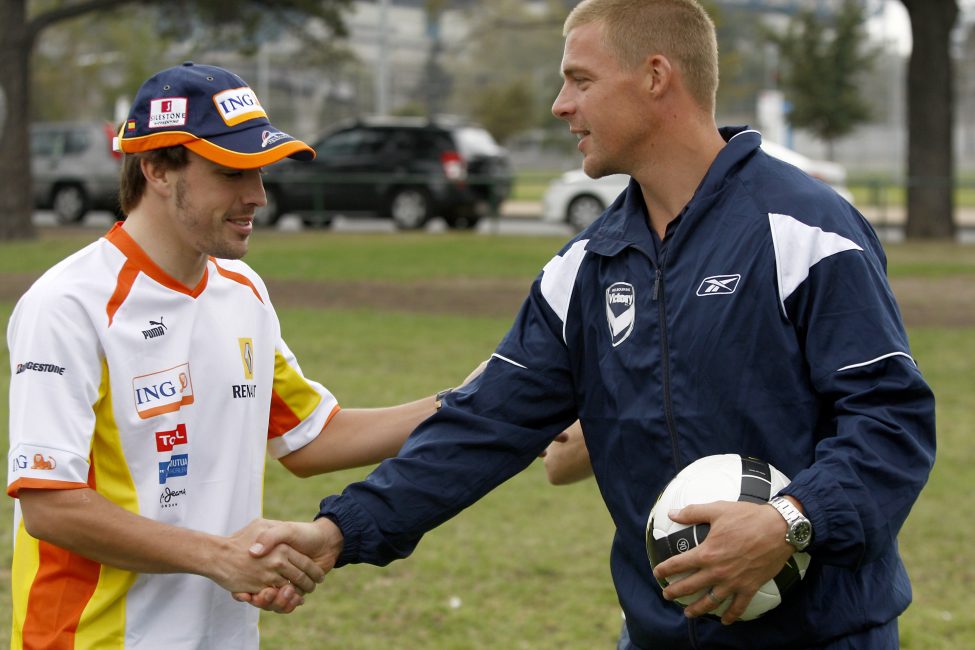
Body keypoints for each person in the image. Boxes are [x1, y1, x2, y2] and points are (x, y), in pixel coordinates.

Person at [245, 1, 936, 647]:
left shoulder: (805, 230)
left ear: (655, 76)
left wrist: (787, 520)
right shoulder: (584, 266)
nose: (560, 105)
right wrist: (340, 530)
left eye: (579, 79)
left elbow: (889, 424)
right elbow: (482, 424)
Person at [4, 62, 455, 649]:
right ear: (157, 169)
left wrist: (475, 400)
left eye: (260, 172)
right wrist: (219, 557)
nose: (258, 197)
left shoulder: (241, 290)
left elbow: (312, 437)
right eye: (232, 173)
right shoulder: (67, 305)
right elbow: (50, 506)